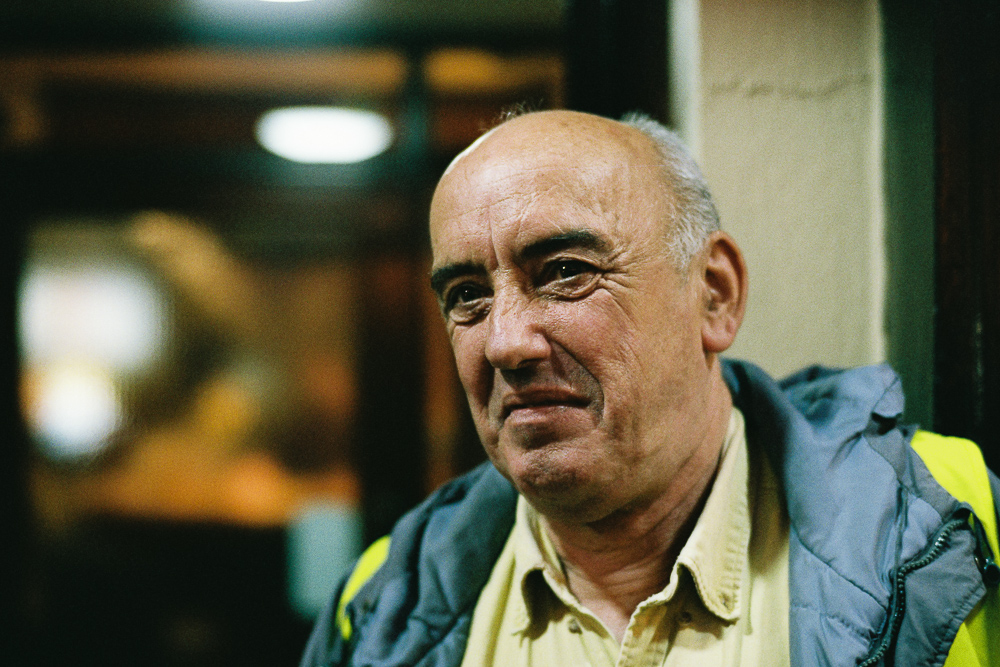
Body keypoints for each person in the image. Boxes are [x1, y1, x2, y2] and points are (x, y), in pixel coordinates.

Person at [301, 110, 1000, 666]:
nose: (506, 342)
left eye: (565, 271)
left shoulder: (945, 527)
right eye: (466, 295)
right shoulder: (381, 606)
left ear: (714, 294)